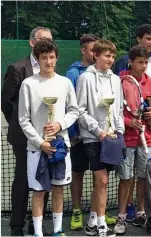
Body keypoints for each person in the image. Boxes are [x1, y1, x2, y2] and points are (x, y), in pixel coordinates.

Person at [18, 39, 79, 236]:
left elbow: (74, 111)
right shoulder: (28, 84)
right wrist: (40, 142)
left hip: (61, 146)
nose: (48, 62)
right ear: (38, 59)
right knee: (38, 191)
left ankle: (58, 230)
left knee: (59, 190)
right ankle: (38, 233)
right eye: (43, 58)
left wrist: (60, 124)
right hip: (37, 148)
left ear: (57, 58)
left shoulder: (65, 83)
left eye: (51, 57)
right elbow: (23, 119)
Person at [1, 26, 53, 236]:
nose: (46, 43)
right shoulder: (17, 68)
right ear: (32, 43)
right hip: (23, 138)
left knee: (44, 178)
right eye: (42, 40)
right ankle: (16, 226)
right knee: (23, 179)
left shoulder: (50, 72)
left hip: (47, 135)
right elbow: (7, 103)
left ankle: (36, 222)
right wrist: (25, 125)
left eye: (50, 40)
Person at [114, 24, 151, 222]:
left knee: (144, 177)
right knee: (126, 178)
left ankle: (141, 211)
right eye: (140, 62)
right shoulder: (120, 81)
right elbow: (114, 112)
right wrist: (128, 122)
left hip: (147, 138)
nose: (144, 66)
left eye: (146, 62)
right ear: (131, 62)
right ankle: (122, 214)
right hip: (126, 138)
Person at [76, 39, 124, 237]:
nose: (111, 60)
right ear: (96, 55)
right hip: (93, 138)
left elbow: (119, 108)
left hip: (112, 137)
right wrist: (98, 131)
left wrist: (118, 130)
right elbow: (80, 111)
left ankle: (92, 223)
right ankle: (103, 227)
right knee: (102, 180)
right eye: (107, 56)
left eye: (113, 56)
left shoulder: (115, 79)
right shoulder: (85, 79)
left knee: (101, 183)